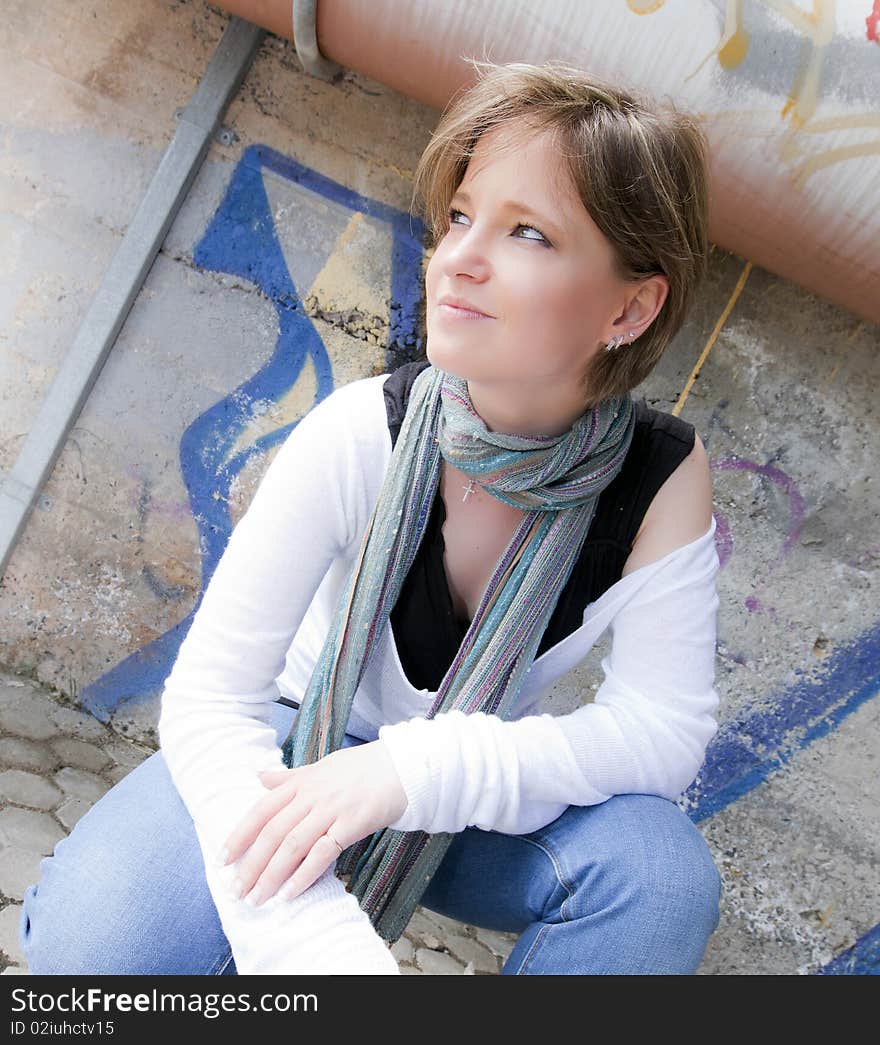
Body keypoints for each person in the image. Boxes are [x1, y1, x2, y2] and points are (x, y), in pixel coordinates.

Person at [19, 59, 722, 975]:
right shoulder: (362, 433)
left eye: (529, 233)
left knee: (659, 874)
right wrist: (315, 944)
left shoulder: (660, 479)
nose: (459, 256)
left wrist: (413, 770)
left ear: (631, 306)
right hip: (293, 743)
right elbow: (208, 702)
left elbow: (662, 733)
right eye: (462, 215)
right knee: (98, 952)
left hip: (466, 800)